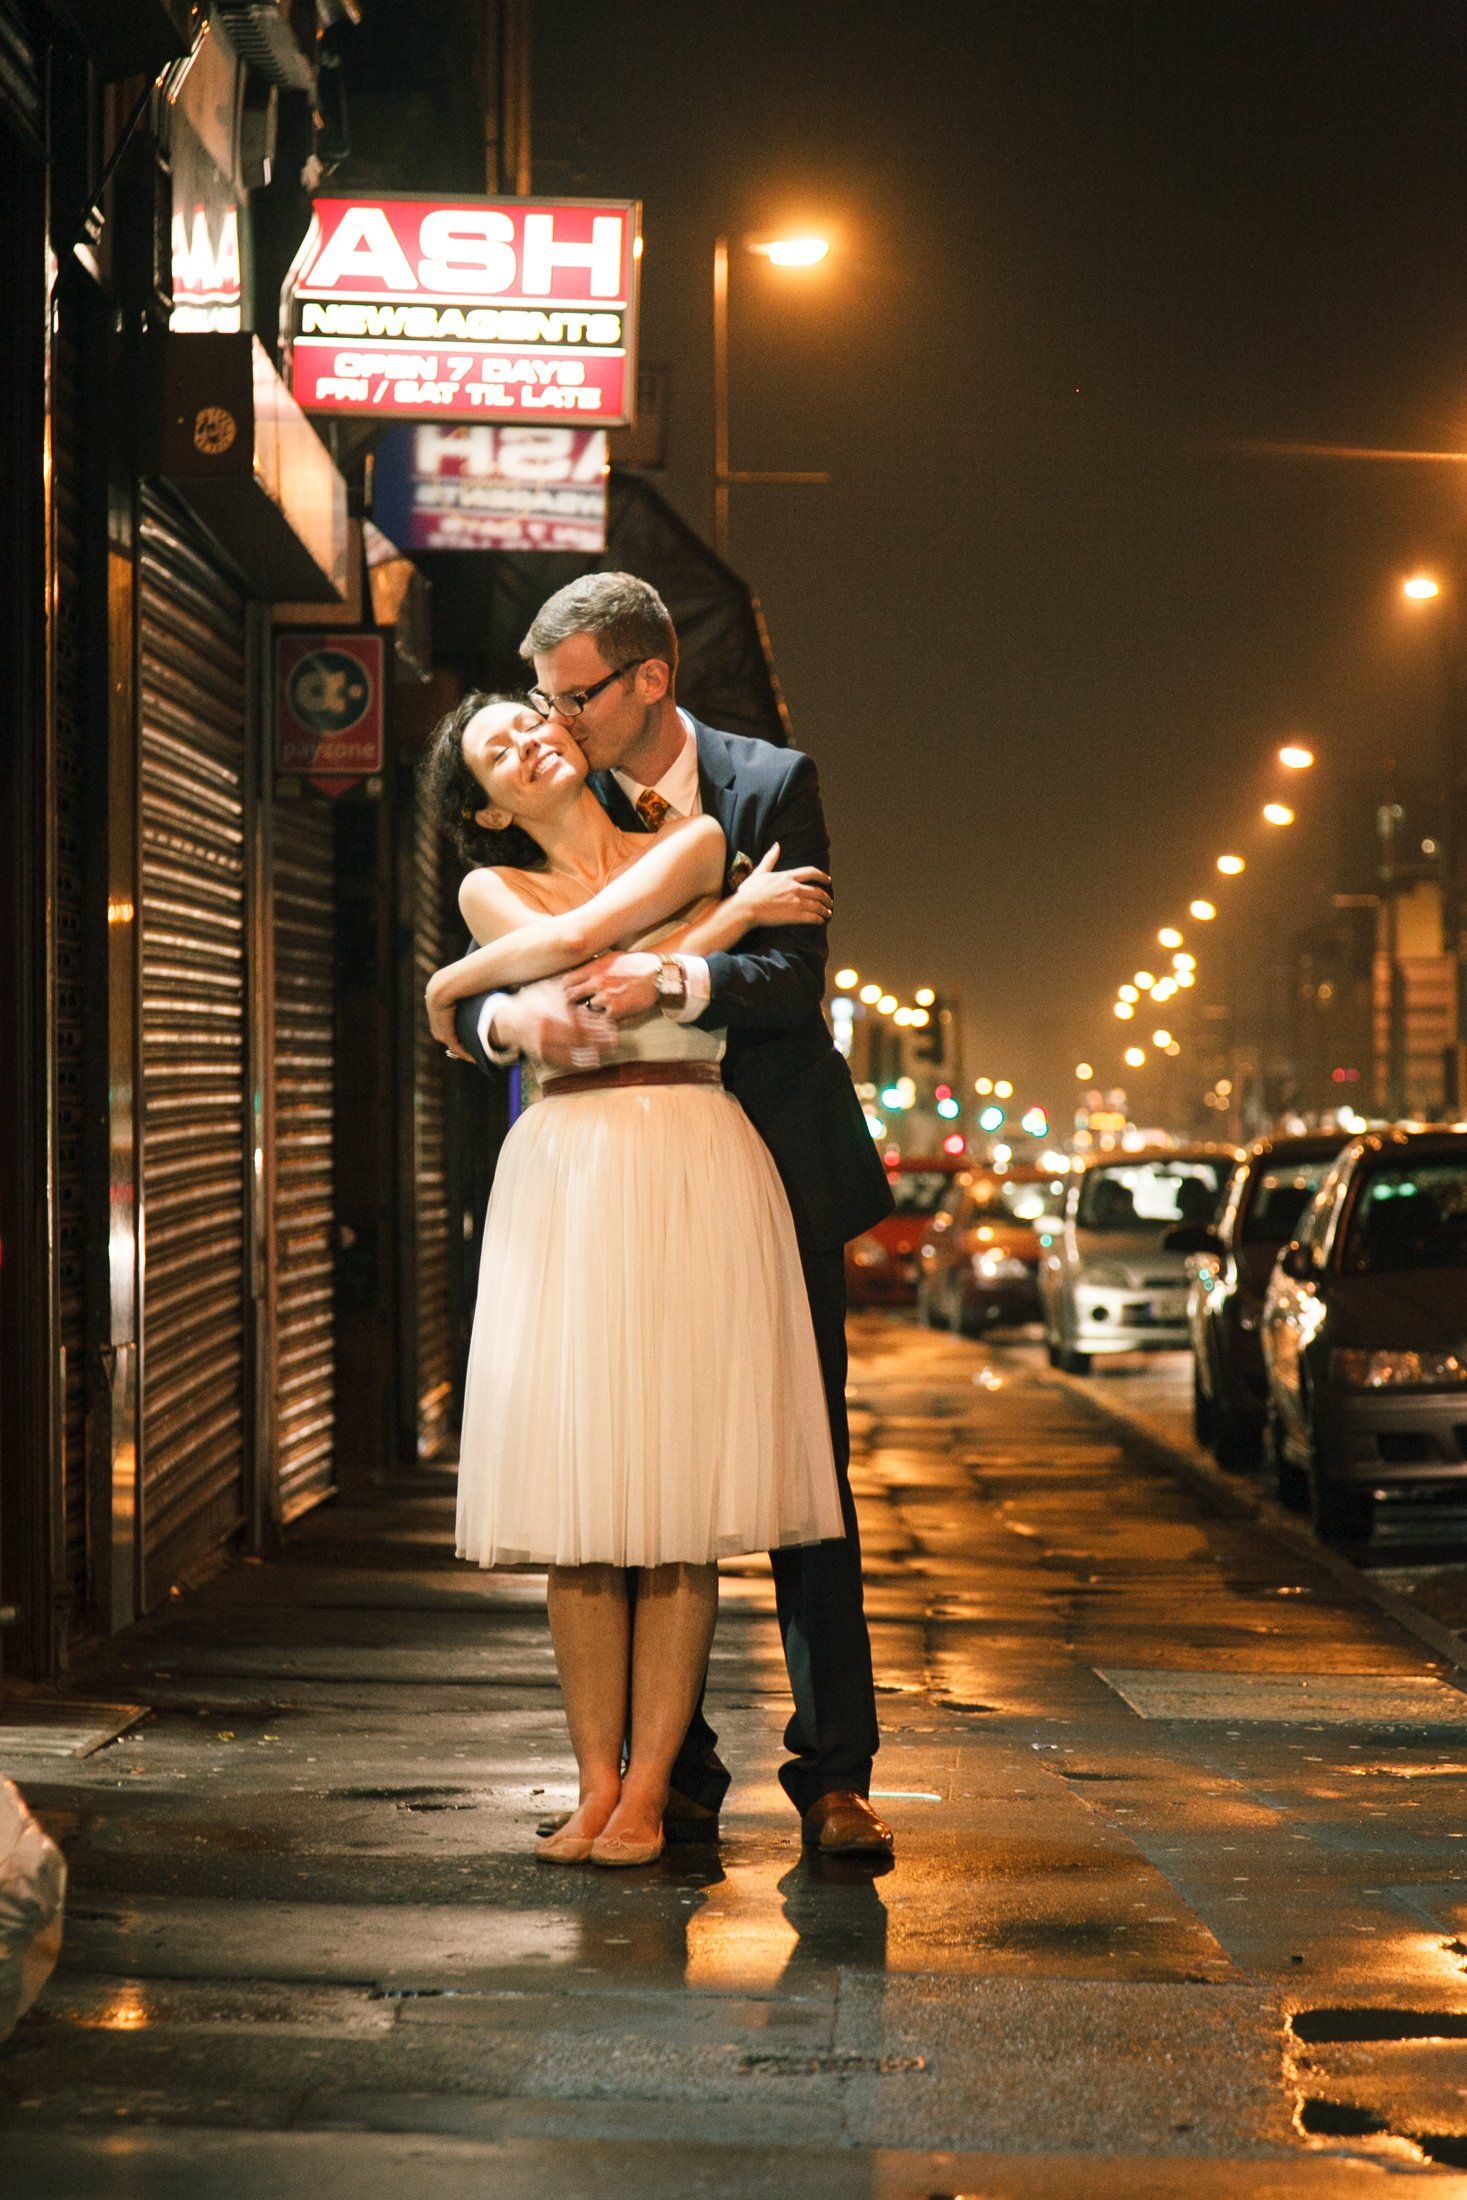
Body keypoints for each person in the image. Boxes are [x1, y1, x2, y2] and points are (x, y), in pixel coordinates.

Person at [437, 572, 896, 1858]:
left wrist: (678, 967)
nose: (553, 719)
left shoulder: (760, 785)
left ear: (650, 679)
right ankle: (659, 1776)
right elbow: (512, 974)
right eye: (538, 697)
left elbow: (792, 975)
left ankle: (835, 1771)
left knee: (791, 1469)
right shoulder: (524, 849)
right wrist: (473, 1005)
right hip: (600, 1170)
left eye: (573, 694)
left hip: (757, 1161)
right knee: (621, 1476)